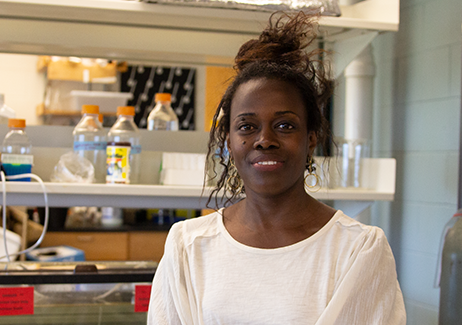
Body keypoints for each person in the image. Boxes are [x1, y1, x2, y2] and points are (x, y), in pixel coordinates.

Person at [147, 12, 406, 325]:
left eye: (285, 125)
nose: (264, 140)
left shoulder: (359, 249)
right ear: (228, 141)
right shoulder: (188, 245)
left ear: (311, 139)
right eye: (247, 126)